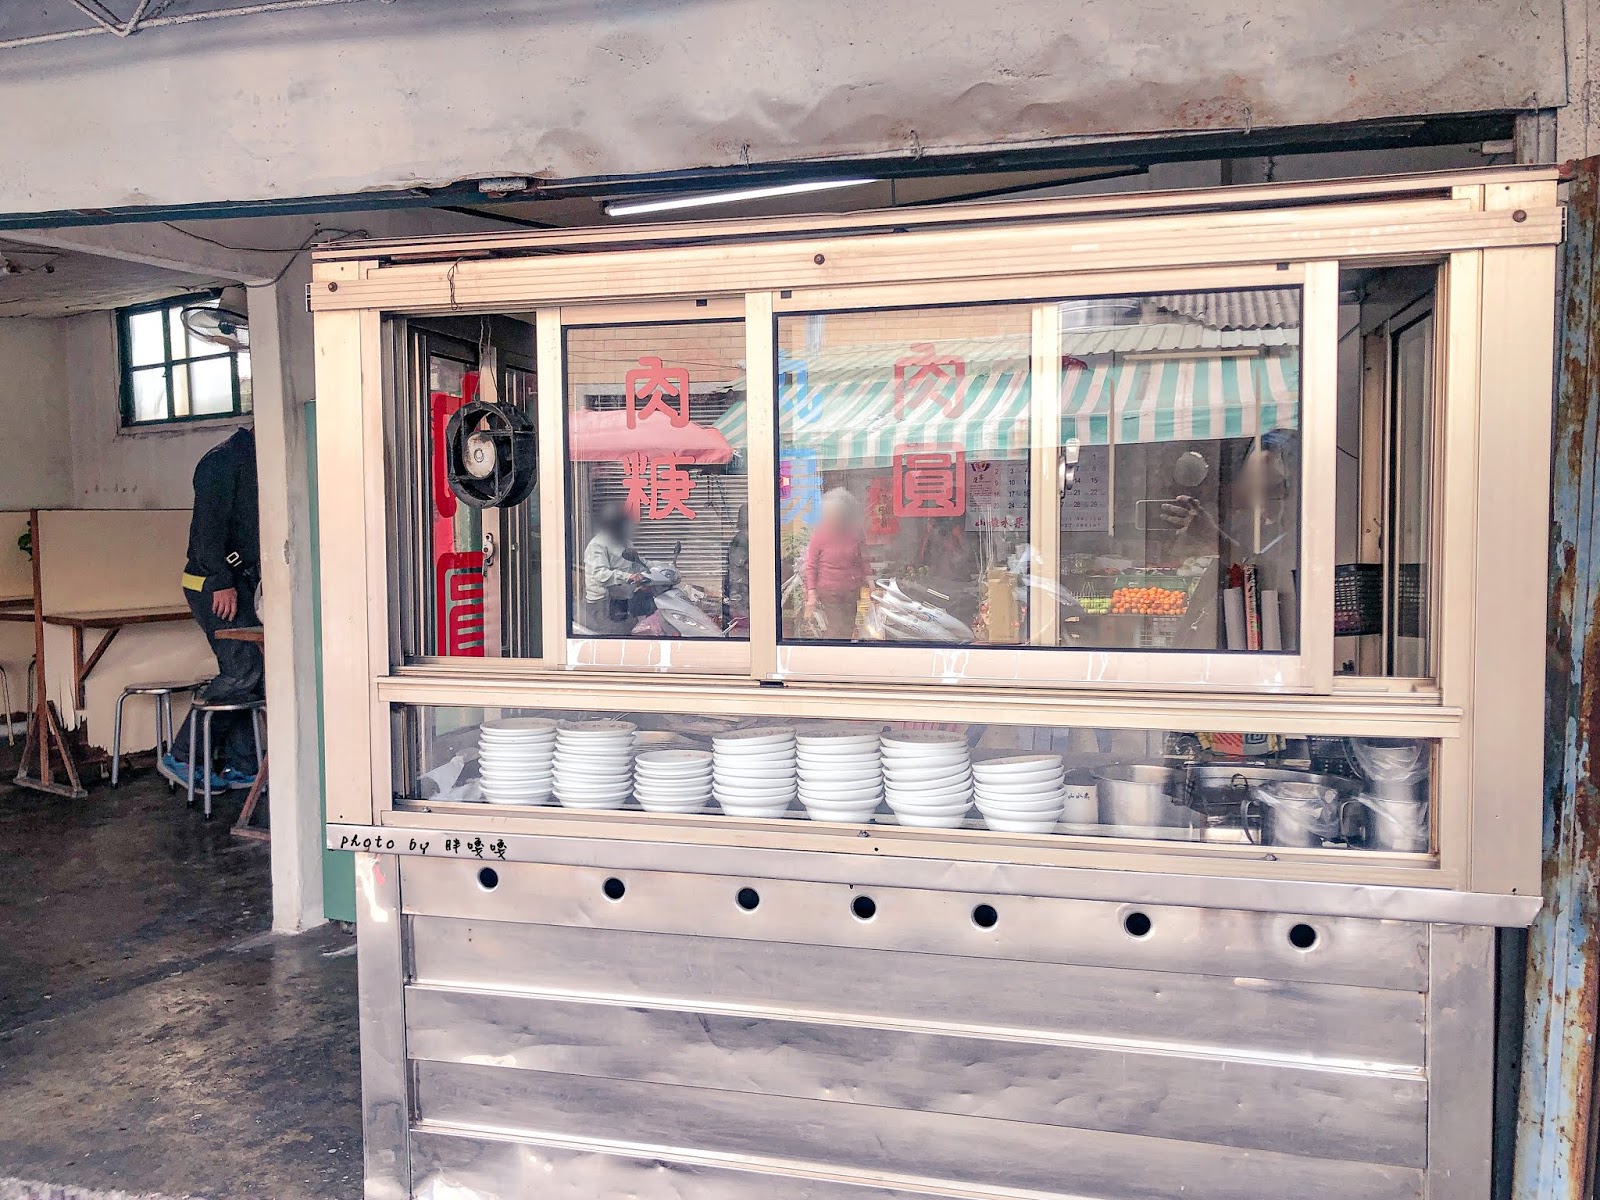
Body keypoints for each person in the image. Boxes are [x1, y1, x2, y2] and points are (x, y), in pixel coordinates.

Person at [160, 426, 263, 792]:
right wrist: (220, 581)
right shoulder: (223, 462)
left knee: (255, 672)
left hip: (238, 582)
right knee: (243, 669)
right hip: (211, 584)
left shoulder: (258, 460)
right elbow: (206, 533)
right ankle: (183, 756)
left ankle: (243, 764)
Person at [802, 488, 870, 640]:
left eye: (836, 515)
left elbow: (863, 559)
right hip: (829, 592)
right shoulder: (820, 534)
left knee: (848, 627)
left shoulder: (855, 532)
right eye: (828, 515)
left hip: (851, 590)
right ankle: (827, 652)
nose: (832, 518)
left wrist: (872, 585)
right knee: (836, 626)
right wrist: (811, 593)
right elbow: (811, 566)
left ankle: (842, 653)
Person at [581, 501, 651, 635]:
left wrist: (658, 568)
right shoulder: (598, 544)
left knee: (631, 630)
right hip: (603, 603)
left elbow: (638, 562)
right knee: (613, 634)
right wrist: (628, 577)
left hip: (623, 598)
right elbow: (599, 574)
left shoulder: (625, 542)